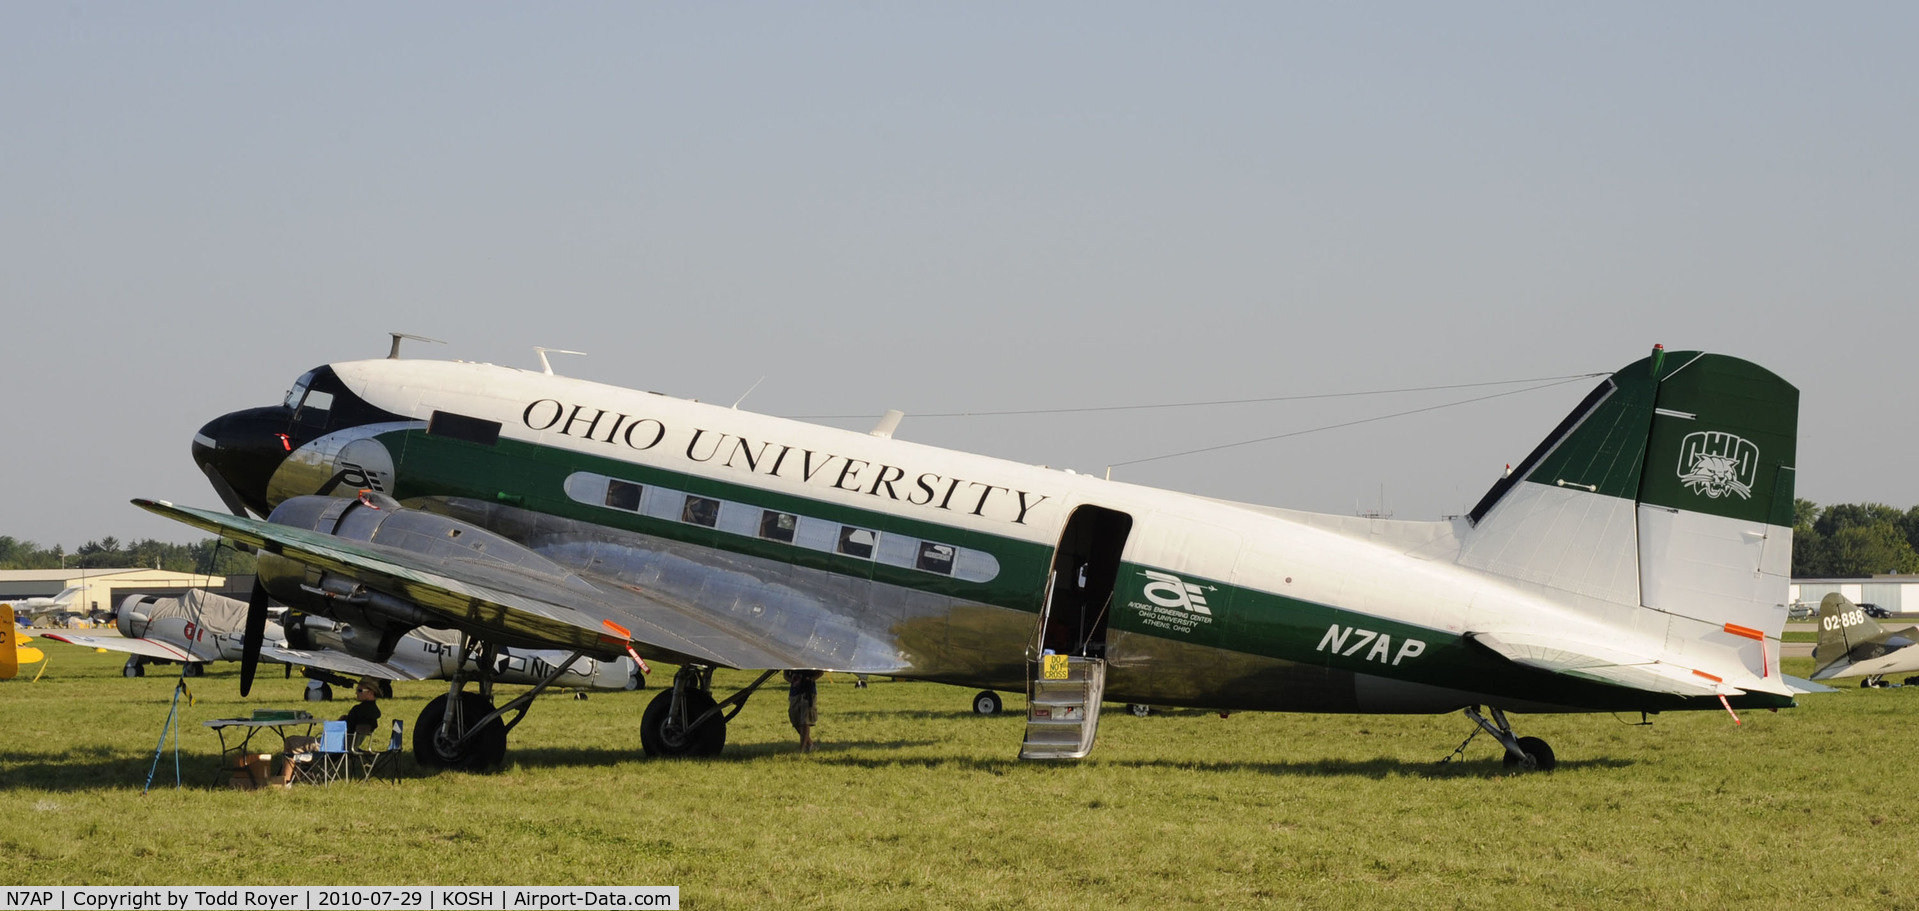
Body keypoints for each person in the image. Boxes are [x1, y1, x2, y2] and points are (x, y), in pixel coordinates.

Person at [277, 675, 384, 785]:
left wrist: (341, 720)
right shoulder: (374, 713)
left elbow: (341, 728)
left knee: (290, 741)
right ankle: (300, 776)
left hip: (332, 748)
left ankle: (285, 781)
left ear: (370, 693)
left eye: (360, 690)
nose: (356, 692)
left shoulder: (357, 710)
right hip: (349, 748)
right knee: (298, 744)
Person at [783, 669, 823, 753]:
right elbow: (785, 674)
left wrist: (810, 679)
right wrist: (792, 680)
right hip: (794, 693)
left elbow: (820, 672)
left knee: (805, 721)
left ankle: (802, 749)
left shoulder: (810, 659)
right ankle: (810, 744)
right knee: (795, 721)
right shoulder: (791, 659)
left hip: (808, 692)